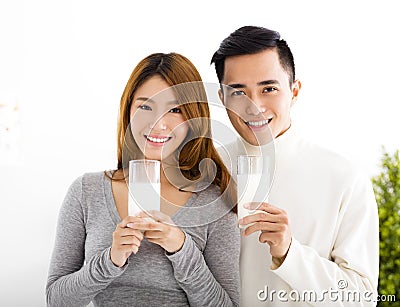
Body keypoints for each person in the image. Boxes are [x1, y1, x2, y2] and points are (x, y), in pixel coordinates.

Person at [46, 52, 240, 306]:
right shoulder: (87, 191)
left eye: (175, 110)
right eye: (145, 106)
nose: (158, 123)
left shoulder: (215, 202)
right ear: (128, 111)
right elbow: (56, 299)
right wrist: (110, 261)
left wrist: (182, 249)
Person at [211, 26, 379, 306]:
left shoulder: (344, 178)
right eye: (238, 92)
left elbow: (362, 298)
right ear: (222, 99)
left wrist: (289, 253)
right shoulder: (203, 173)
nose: (255, 106)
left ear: (294, 90)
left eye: (269, 89)